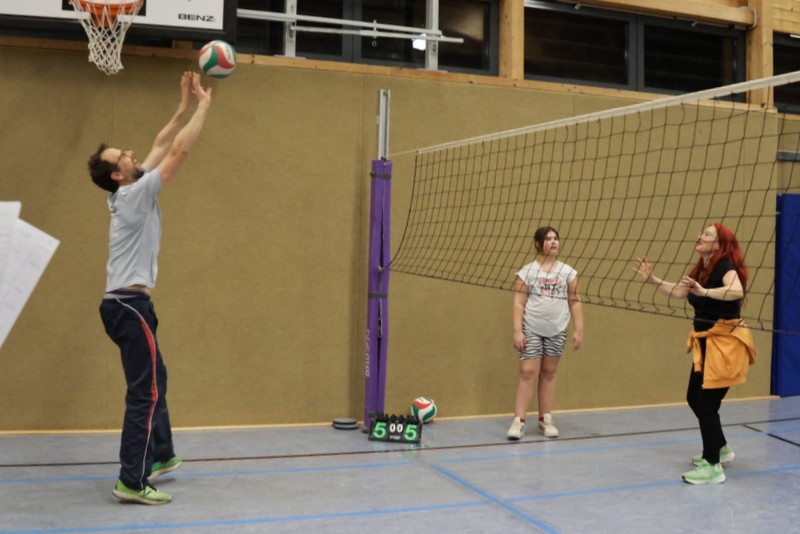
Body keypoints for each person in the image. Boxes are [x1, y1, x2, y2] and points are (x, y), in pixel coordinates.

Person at [88, 71, 212, 505]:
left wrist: (181, 107)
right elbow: (179, 150)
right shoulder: (134, 194)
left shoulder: (129, 187)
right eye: (122, 155)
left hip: (127, 305)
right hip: (128, 306)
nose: (131, 152)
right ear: (118, 175)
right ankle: (131, 480)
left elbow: (162, 142)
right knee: (146, 392)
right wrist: (204, 106)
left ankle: (161, 454)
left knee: (157, 378)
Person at [634, 223, 756, 485]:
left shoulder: (724, 267)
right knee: (694, 397)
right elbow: (679, 291)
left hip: (726, 344)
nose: (699, 237)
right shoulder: (702, 268)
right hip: (707, 344)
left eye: (707, 235)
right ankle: (720, 448)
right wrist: (652, 279)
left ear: (719, 244)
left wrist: (705, 291)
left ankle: (712, 467)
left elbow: (737, 290)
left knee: (706, 404)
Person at [507, 226, 584, 440]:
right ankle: (519, 422)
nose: (553, 242)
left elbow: (575, 301)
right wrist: (517, 331)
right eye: (548, 239)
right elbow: (518, 303)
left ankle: (545, 420)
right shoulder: (527, 272)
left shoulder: (568, 272)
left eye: (556, 238)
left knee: (549, 373)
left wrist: (579, 329)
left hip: (557, 329)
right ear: (538, 244)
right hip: (531, 328)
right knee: (527, 372)